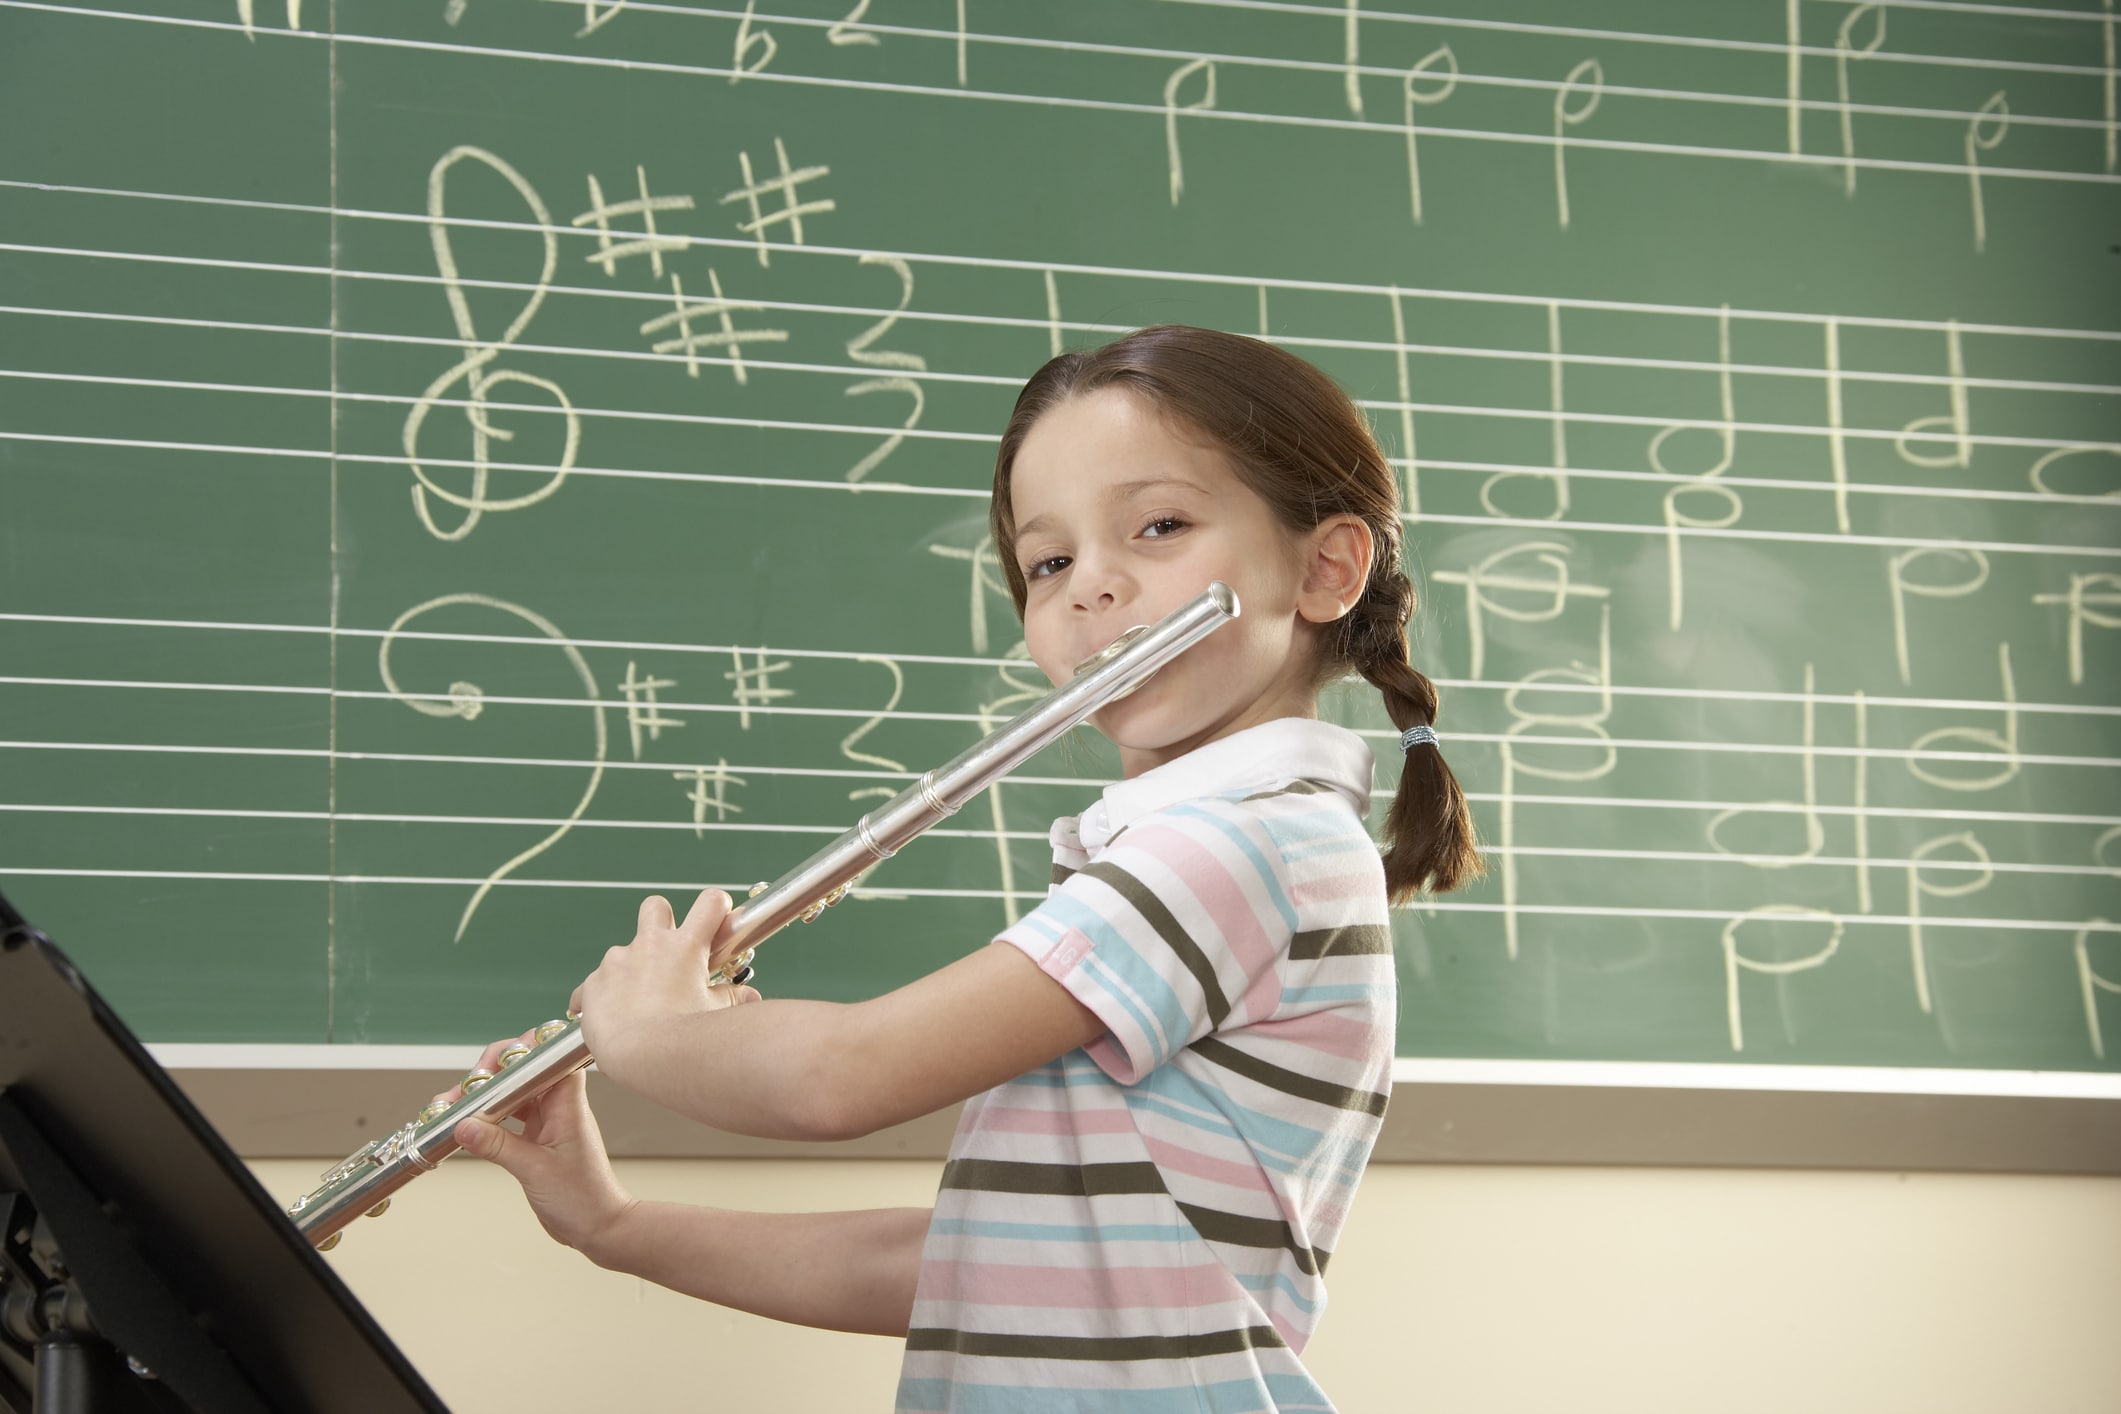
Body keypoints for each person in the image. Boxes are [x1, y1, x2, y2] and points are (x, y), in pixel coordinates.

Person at [444, 325, 1483, 1411]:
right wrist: (615, 1227)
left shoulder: (1245, 848)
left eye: (1160, 525)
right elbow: (976, 1267)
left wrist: (657, 1031)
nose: (1094, 587)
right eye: (1051, 561)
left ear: (1324, 568)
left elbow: (840, 1076)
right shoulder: (1205, 854)